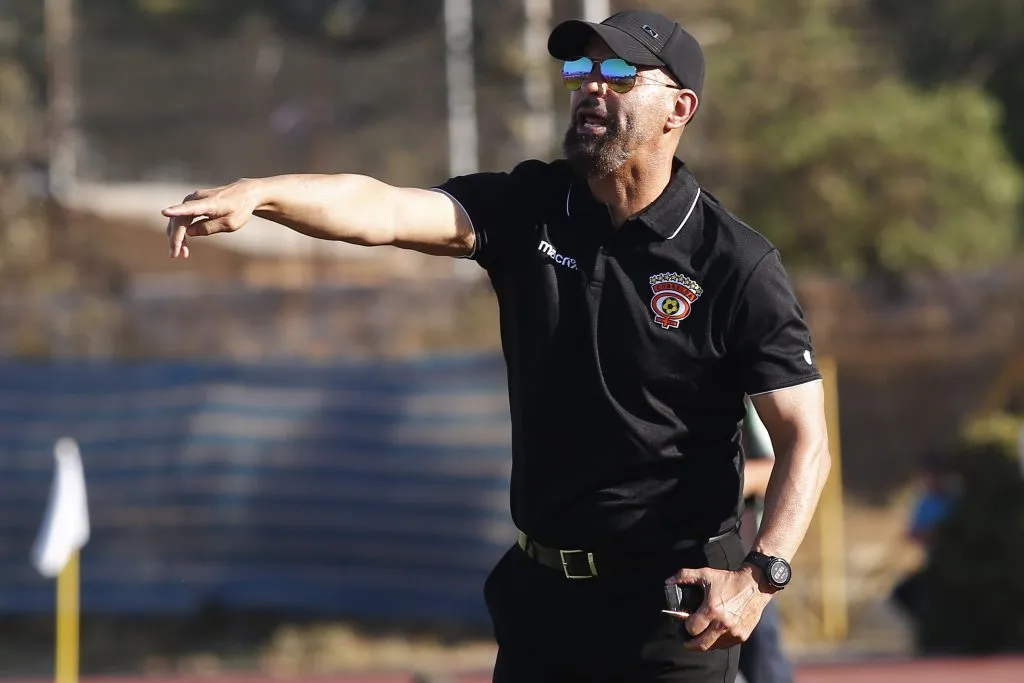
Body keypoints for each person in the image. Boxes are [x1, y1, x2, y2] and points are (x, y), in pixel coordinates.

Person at [162, 8, 832, 682]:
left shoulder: (734, 263)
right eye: (582, 69)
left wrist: (762, 573)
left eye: (620, 74)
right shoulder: (532, 206)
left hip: (666, 615)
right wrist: (261, 194)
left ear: (678, 108)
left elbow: (806, 437)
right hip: (539, 603)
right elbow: (384, 209)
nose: (592, 86)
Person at [737, 398, 795, 683]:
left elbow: (773, 468)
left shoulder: (750, 403)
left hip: (744, 566)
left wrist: (709, 485)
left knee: (765, 668)